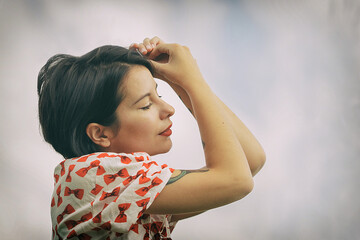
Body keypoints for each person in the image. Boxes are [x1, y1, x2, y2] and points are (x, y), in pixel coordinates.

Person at [37, 36, 266, 240]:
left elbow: (250, 161)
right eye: (146, 105)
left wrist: (180, 81)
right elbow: (236, 181)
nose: (168, 108)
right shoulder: (90, 175)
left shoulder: (126, 195)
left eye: (160, 94)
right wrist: (192, 80)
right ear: (100, 133)